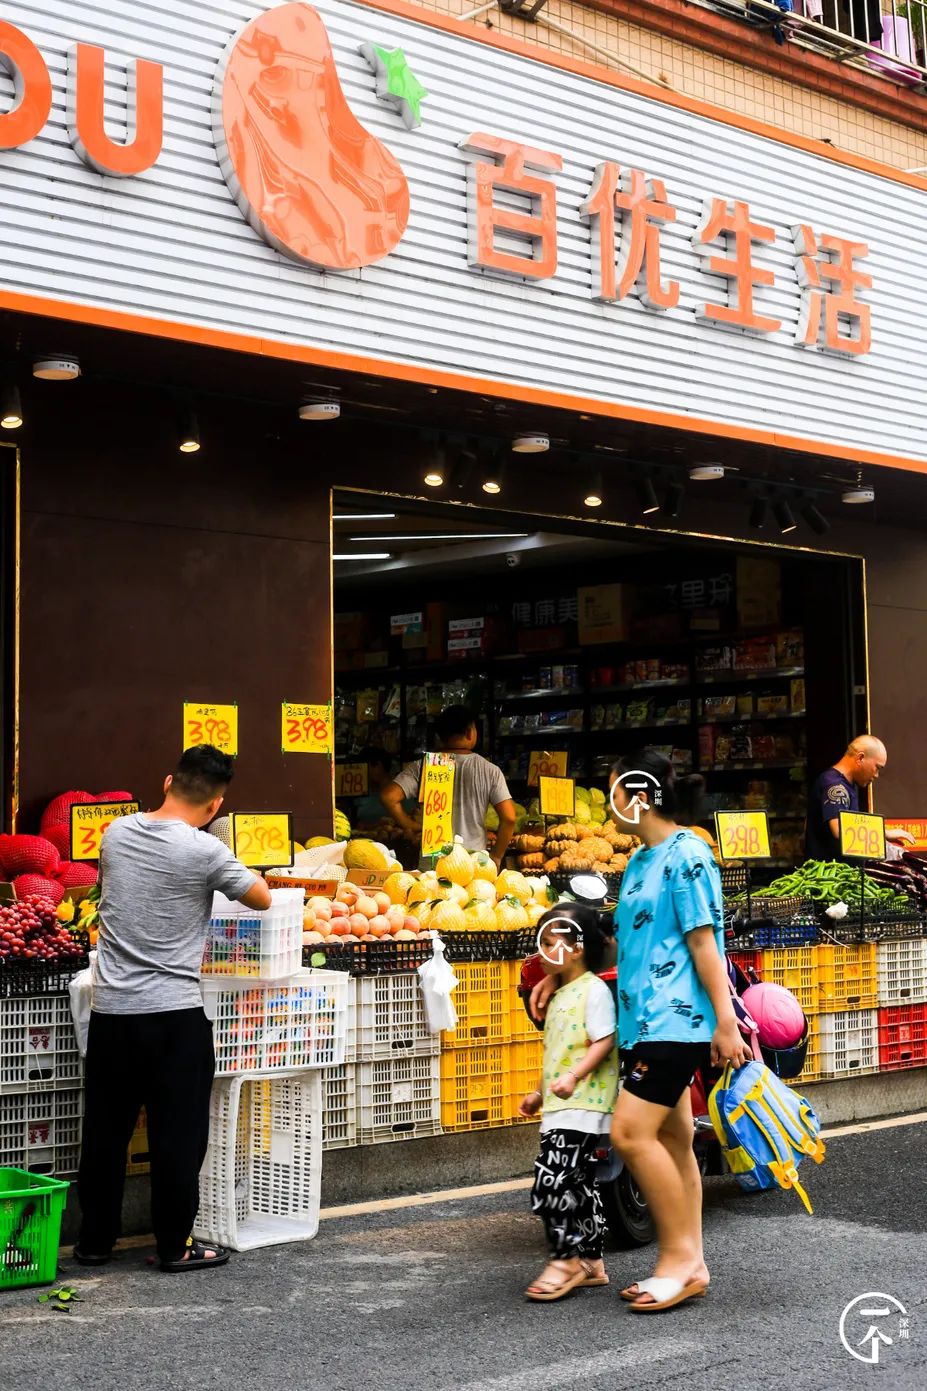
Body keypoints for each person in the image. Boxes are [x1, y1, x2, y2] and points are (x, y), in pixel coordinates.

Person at [74, 744, 272, 1273]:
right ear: (216, 805)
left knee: (106, 1134)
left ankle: (94, 1243)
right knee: (177, 1137)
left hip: (112, 1011)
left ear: (167, 782)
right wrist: (222, 856)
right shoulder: (206, 851)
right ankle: (173, 1246)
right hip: (173, 1016)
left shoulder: (116, 834)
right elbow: (261, 897)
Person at [608, 748, 751, 1314]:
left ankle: (677, 1261)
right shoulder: (640, 860)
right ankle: (692, 1263)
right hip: (640, 1022)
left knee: (628, 1134)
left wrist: (725, 1022)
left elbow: (703, 941)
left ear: (640, 796)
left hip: (676, 1021)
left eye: (614, 791)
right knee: (672, 1140)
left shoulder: (688, 852)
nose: (609, 803)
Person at [519, 902, 619, 1302]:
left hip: (584, 1103)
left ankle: (564, 1260)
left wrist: (575, 1077)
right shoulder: (561, 993)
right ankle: (592, 1261)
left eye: (549, 942)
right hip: (564, 1103)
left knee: (551, 1180)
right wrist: (539, 1092)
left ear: (577, 949)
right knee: (580, 1183)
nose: (541, 951)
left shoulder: (593, 991)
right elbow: (558, 1054)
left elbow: (604, 1040)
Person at [382, 704, 516, 866]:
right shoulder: (490, 770)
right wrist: (497, 856)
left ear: (441, 736)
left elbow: (389, 797)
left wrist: (410, 825)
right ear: (470, 732)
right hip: (473, 864)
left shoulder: (423, 766)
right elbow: (509, 818)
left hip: (433, 863)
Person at [805, 735, 914, 861]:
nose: (876, 775)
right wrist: (884, 833)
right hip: (829, 871)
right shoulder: (834, 785)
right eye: (877, 767)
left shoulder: (844, 783)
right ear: (860, 758)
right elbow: (839, 830)